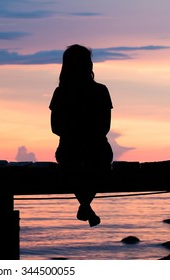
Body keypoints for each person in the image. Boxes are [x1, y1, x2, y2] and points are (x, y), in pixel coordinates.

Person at [49, 44, 113, 227]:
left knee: (75, 168)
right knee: (94, 166)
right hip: (97, 150)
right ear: (88, 65)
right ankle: (85, 205)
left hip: (70, 149)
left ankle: (85, 205)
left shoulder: (60, 92)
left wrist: (74, 133)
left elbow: (55, 128)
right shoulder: (101, 90)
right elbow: (105, 127)